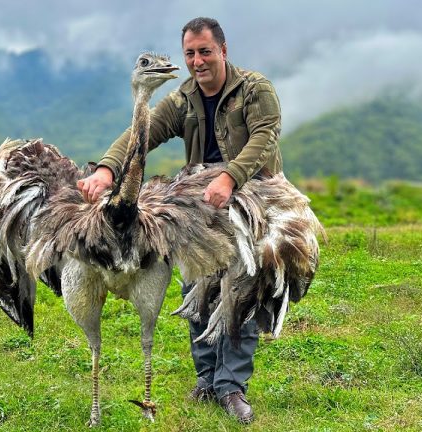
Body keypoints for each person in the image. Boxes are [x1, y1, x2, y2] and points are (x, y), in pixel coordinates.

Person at [77, 17, 283, 424]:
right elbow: (142, 132)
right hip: (200, 199)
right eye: (190, 53)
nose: (197, 61)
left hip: (253, 193)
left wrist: (230, 176)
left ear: (223, 50)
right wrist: (106, 169)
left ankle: (232, 387)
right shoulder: (183, 99)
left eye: (205, 51)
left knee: (241, 288)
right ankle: (207, 379)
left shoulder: (255, 89)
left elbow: (266, 135)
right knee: (198, 287)